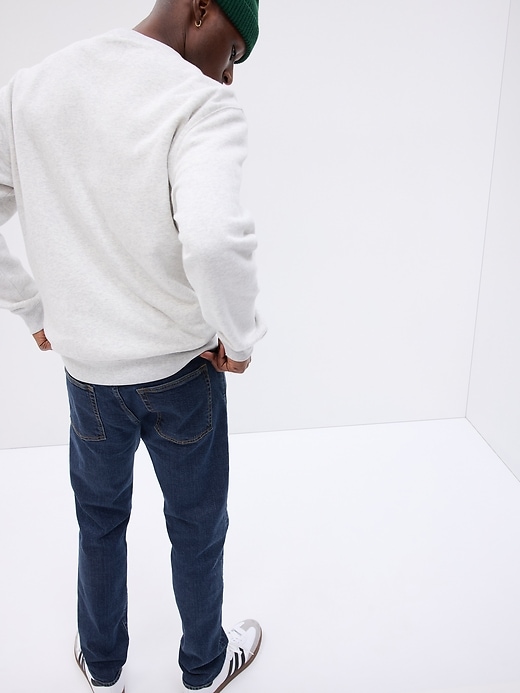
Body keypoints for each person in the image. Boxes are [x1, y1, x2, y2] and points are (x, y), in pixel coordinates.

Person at [0, 0, 266, 691]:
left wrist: (33, 307)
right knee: (197, 526)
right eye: (234, 51)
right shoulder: (200, 102)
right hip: (184, 372)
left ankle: (104, 669)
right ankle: (203, 667)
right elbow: (213, 240)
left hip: (88, 376)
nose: (229, 75)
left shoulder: (34, 88)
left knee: (98, 521)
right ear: (202, 9)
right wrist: (239, 337)